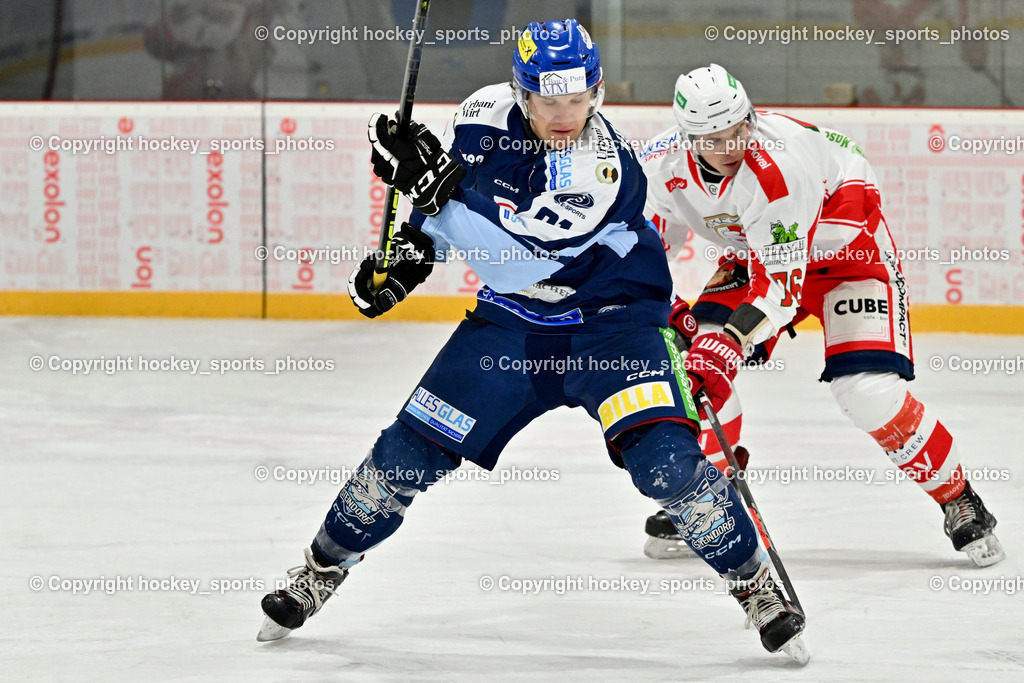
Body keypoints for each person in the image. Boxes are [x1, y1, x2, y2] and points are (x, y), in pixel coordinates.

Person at [257, 22, 808, 660]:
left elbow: (526, 257)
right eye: (548, 101)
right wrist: (408, 254)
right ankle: (322, 568)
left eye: (578, 99)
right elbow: (452, 222)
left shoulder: (608, 167)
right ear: (521, 93)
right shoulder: (480, 116)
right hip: (516, 326)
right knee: (405, 456)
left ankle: (753, 584)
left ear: (596, 91)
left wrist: (438, 185)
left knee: (665, 466)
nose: (564, 115)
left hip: (614, 325)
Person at [637, 63, 1004, 568]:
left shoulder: (780, 167)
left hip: (848, 260)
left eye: (738, 129)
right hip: (758, 258)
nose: (731, 147)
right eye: (714, 140)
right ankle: (709, 497)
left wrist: (729, 341)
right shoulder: (659, 167)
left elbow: (780, 291)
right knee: (693, 373)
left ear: (749, 116)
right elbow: (643, 252)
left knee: (868, 392)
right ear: (687, 138)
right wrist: (664, 311)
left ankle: (957, 495)